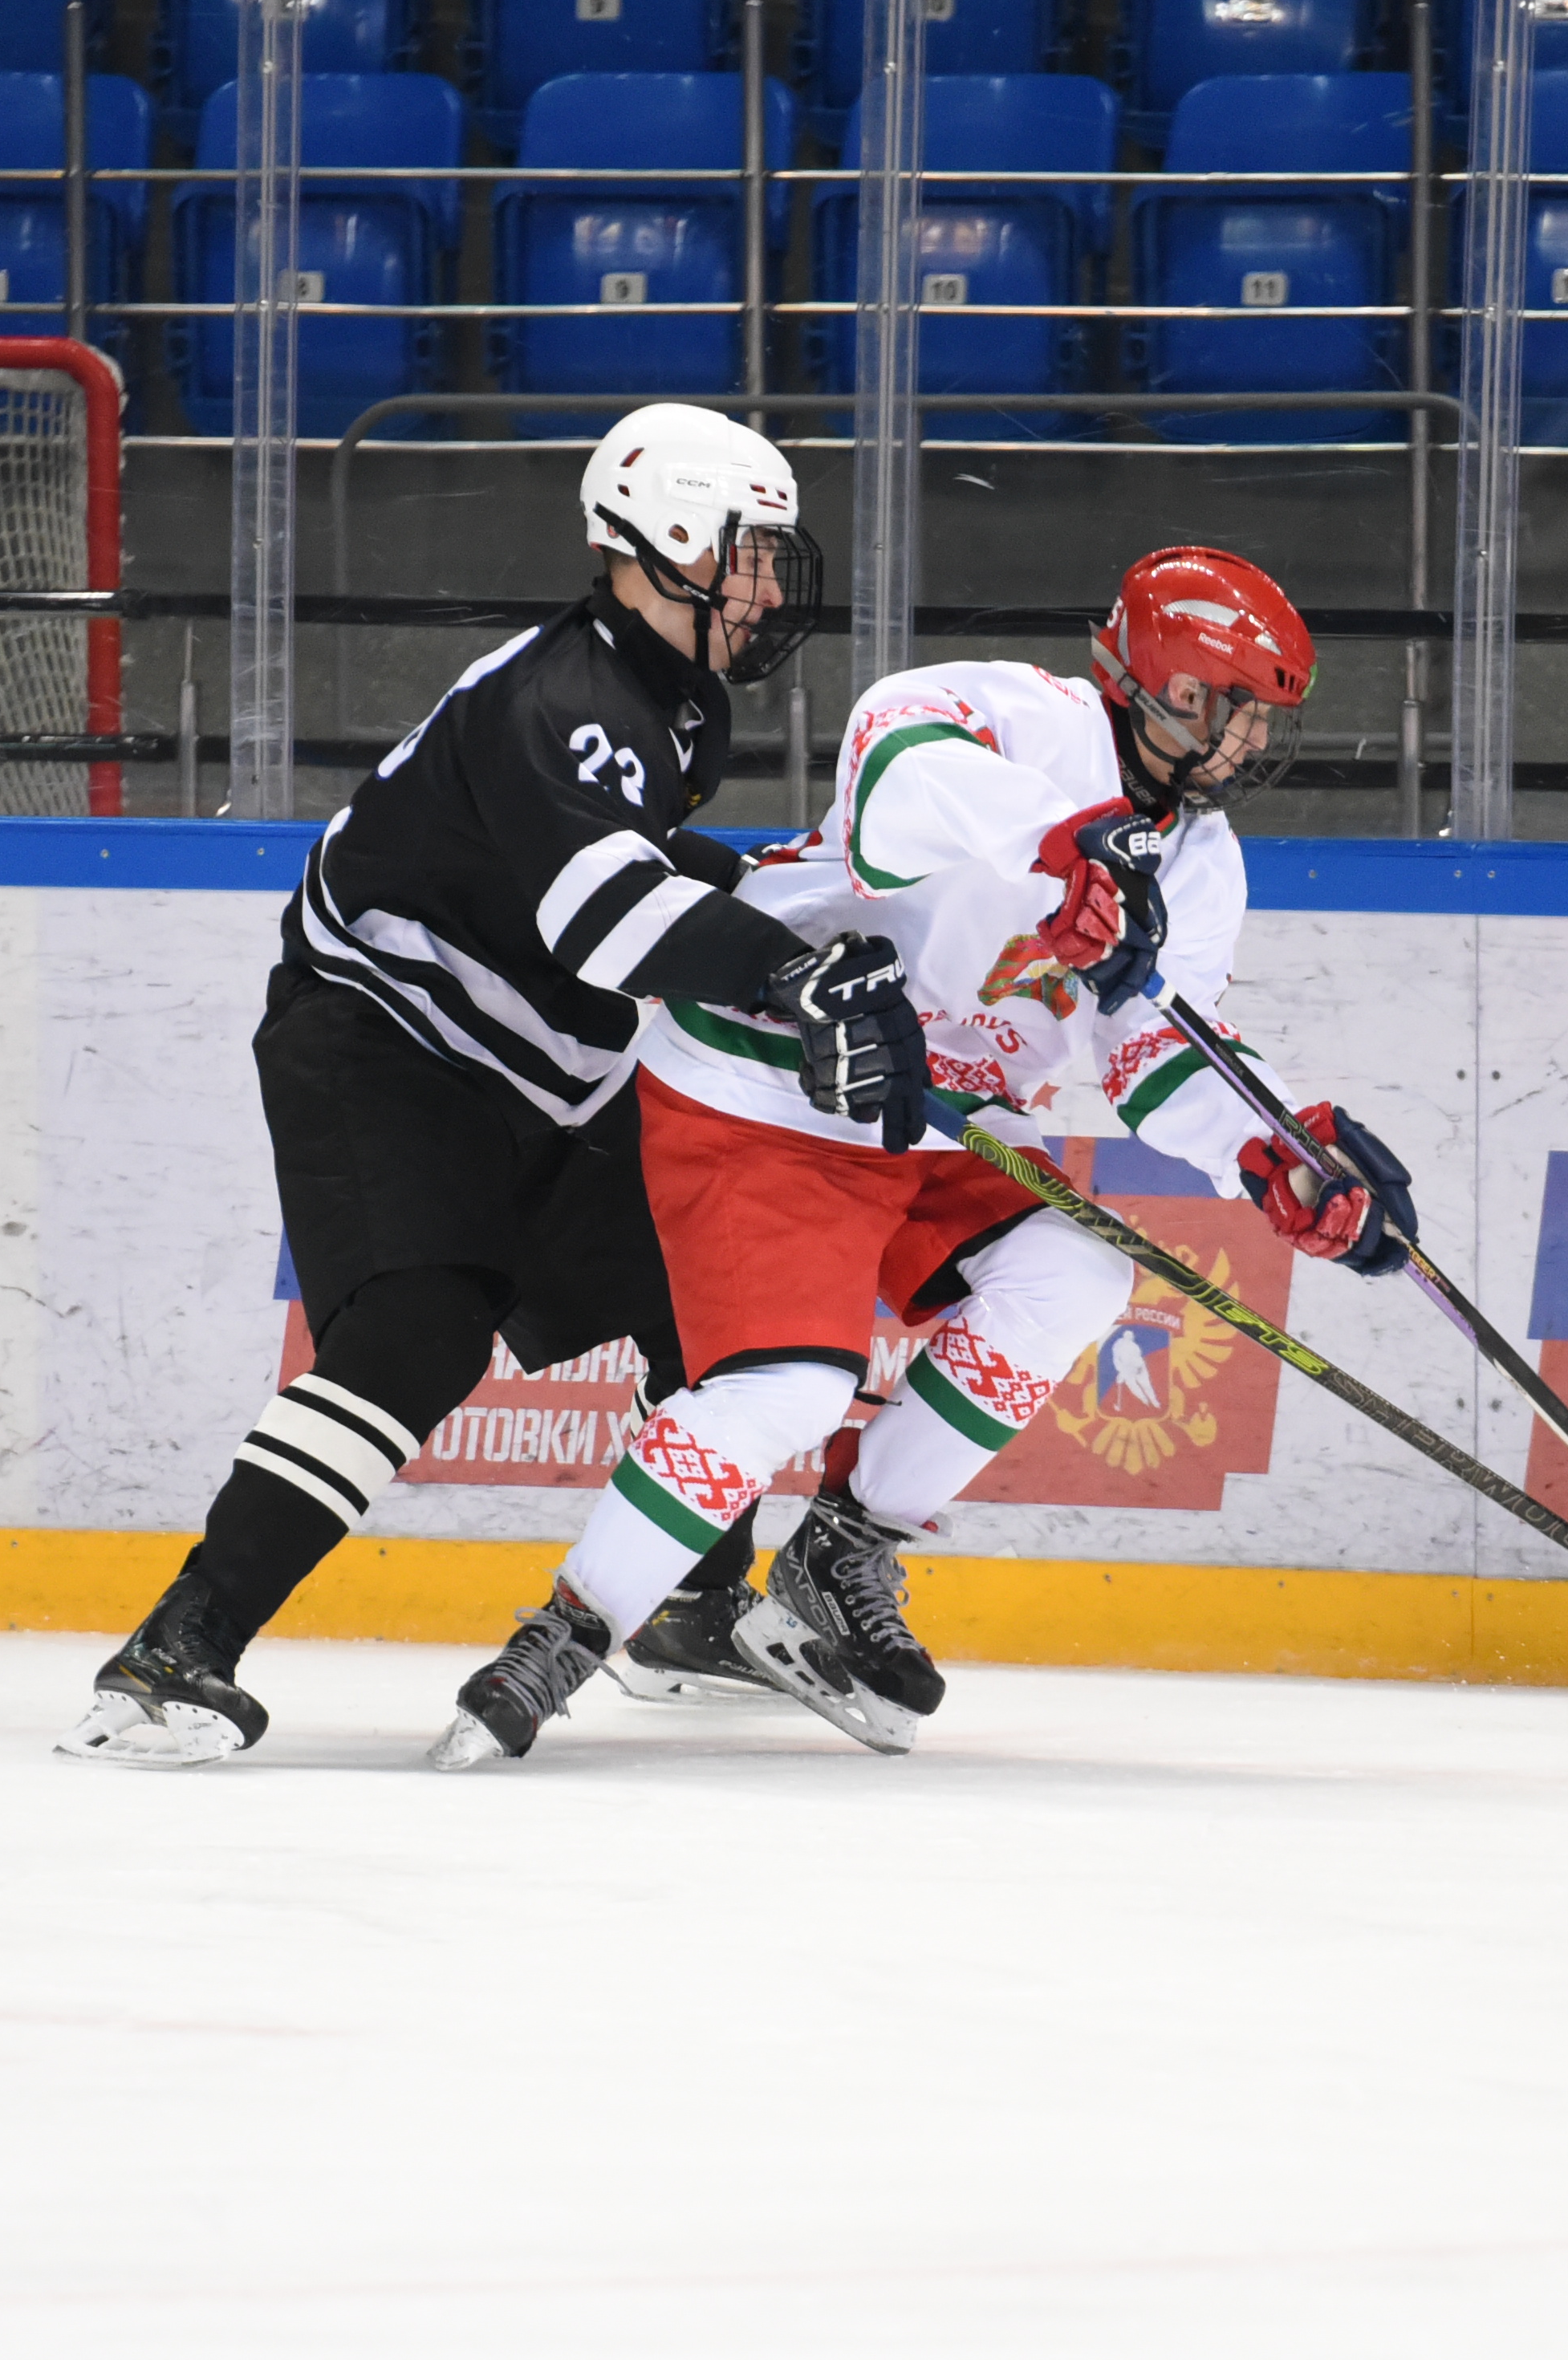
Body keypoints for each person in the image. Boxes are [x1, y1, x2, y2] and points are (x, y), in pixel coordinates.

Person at [432, 545, 1421, 1766]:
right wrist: (1061, 845)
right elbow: (891, 777)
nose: (1247, 742)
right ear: (1161, 683)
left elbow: (1152, 1048)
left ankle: (843, 1546)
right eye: (1229, 707)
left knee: (1076, 1274)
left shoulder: (1203, 861)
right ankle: (567, 1633)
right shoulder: (1018, 715)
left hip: (939, 1114)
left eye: (1263, 720)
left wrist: (1277, 1155)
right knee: (787, 1390)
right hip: (774, 1076)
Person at [57, 407, 932, 1765]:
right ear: (669, 541)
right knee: (416, 1336)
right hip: (383, 1040)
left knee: (702, 1288)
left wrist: (808, 916)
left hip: (540, 1072)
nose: (769, 587)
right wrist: (786, 970)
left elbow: (634, 864)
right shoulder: (566, 699)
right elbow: (605, 916)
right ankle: (174, 1655)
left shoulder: (670, 700)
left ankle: (691, 1610)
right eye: (750, 552)